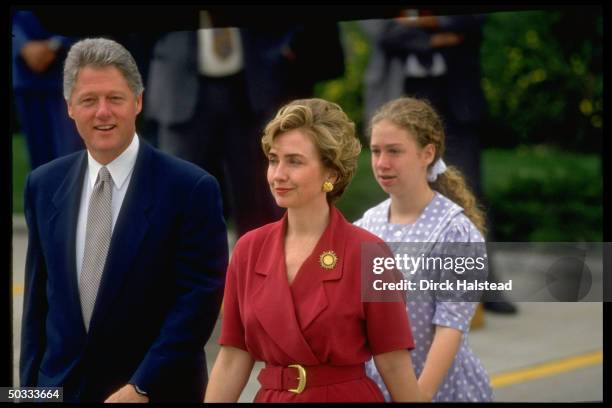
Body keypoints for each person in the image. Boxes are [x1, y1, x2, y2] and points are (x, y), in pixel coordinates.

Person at [19, 38, 228, 402]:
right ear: (70, 108)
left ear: (138, 101)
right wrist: (26, 396)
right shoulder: (43, 184)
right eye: (88, 100)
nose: (103, 112)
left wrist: (141, 386)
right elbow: (37, 308)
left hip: (154, 392)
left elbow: (197, 305)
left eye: (115, 98)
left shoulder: (190, 188)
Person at [204, 98, 421, 402]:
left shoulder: (372, 254)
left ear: (331, 174)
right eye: (273, 159)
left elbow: (394, 365)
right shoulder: (248, 249)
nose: (278, 174)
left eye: (294, 161)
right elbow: (232, 358)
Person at [360, 12, 517, 314]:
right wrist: (435, 35)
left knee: (469, 192)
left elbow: (472, 20)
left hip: (455, 98)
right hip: (401, 95)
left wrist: (423, 23)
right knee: (403, 199)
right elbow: (384, 33)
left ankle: (483, 284)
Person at [144, 14, 344, 237]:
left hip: (250, 91)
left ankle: (262, 266)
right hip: (179, 92)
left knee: (258, 199)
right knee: (180, 197)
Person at [355, 97, 494, 402]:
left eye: (395, 151)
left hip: (440, 389)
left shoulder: (455, 232)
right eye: (376, 151)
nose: (381, 163)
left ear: (427, 153)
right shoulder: (367, 225)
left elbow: (451, 327)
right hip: (377, 388)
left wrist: (419, 395)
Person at [12, 10, 84, 169]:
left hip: (67, 76)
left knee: (71, 158)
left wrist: (55, 44)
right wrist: (22, 45)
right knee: (40, 163)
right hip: (26, 79)